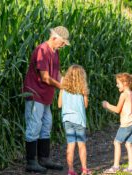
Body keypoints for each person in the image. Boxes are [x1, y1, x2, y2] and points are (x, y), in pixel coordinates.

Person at [23, 26, 70, 173]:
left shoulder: (55, 53)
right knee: (34, 126)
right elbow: (45, 77)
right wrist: (62, 87)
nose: (63, 45)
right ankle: (31, 162)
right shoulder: (42, 50)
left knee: (46, 126)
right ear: (54, 37)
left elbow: (56, 74)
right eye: (62, 42)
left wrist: (67, 83)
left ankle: (44, 159)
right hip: (35, 94)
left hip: (46, 97)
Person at [58, 65, 92, 175]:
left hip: (67, 119)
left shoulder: (63, 88)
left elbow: (59, 104)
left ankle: (71, 170)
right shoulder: (83, 89)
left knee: (70, 145)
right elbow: (85, 105)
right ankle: (84, 169)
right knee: (81, 145)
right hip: (79, 120)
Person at [102, 73, 132, 174]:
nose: (117, 85)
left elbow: (118, 109)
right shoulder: (131, 93)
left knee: (117, 142)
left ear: (125, 83)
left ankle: (115, 167)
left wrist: (107, 105)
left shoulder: (123, 95)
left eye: (118, 83)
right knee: (128, 144)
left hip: (127, 124)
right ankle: (130, 168)